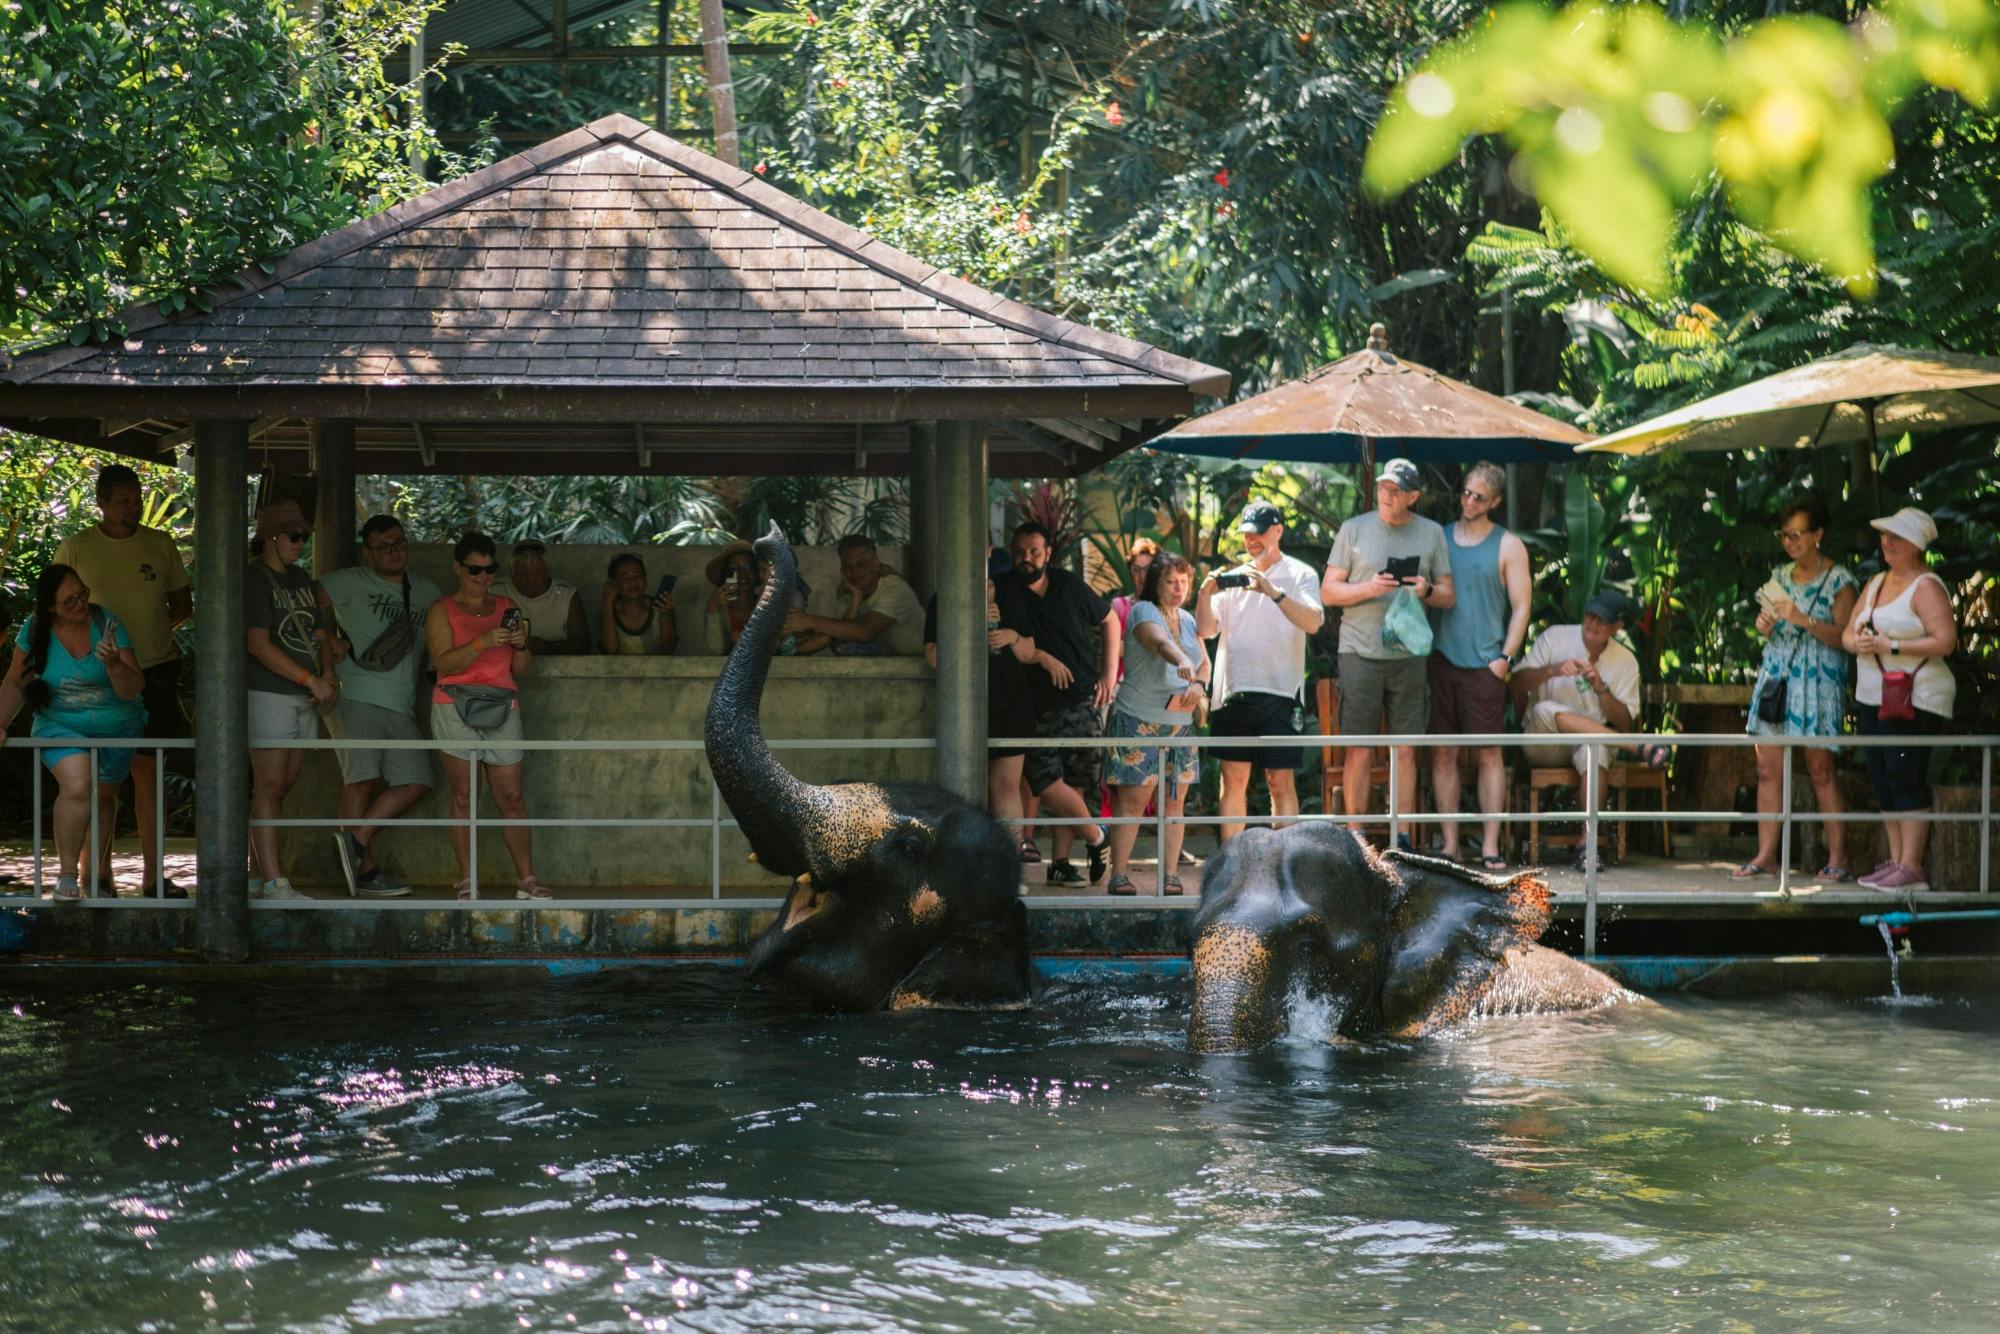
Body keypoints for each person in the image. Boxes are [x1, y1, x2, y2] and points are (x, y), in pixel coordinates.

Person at [52, 463, 193, 896]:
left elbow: (181, 604)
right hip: (96, 679)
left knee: (149, 775)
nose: (131, 508)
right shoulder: (75, 548)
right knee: (98, 780)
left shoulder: (160, 543)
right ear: (101, 503)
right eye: (122, 501)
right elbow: (54, 609)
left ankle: (153, 877)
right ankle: (98, 875)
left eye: (135, 499)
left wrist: (144, 642)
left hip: (155, 670)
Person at [1320, 459, 1454, 844]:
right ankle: (1356, 835)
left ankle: (1403, 836)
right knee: (1358, 749)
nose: (1387, 495)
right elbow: (1329, 591)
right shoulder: (1354, 529)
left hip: (1410, 653)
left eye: (1396, 491)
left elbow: (1448, 595)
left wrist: (1425, 589)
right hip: (1359, 652)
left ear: (1413, 496)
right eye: (1383, 488)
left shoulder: (1430, 534)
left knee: (1406, 750)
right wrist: (1370, 588)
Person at [0, 565, 146, 899]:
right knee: (79, 783)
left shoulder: (106, 622)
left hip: (117, 724)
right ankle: (67, 876)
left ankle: (94, 876)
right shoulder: (35, 628)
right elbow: (14, 681)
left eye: (83, 594)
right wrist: (1, 722)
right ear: (50, 607)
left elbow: (132, 688)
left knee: (104, 798)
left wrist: (113, 665)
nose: (80, 603)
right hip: (59, 723)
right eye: (70, 601)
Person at [1734, 495, 1859, 882]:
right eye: (1784, 535)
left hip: (1819, 679)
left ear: (1818, 534)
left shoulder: (1840, 580)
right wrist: (1765, 625)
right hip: (1778, 675)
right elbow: (1772, 622)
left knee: (1821, 769)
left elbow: (1846, 638)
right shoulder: (1781, 575)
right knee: (1767, 767)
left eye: (1796, 535)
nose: (1789, 543)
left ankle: (1838, 857)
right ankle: (1766, 855)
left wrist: (1804, 619)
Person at [320, 514, 442, 897]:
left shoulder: (426, 590)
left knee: (418, 779)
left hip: (401, 701)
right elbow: (299, 606)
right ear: (368, 553)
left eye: (400, 543)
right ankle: (364, 873)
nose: (395, 551)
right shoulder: (346, 580)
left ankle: (353, 841)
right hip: (356, 693)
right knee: (360, 782)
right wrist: (327, 640)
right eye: (385, 546)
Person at [425, 532, 550, 900]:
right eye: (475, 570)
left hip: (502, 703)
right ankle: (467, 879)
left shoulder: (506, 605)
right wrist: (482, 642)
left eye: (489, 569)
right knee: (465, 794)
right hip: (454, 703)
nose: (483, 578)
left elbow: (524, 668)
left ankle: (527, 880)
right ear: (458, 569)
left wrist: (520, 644)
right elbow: (442, 664)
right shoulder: (441, 608)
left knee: (512, 796)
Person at [1842, 507, 1957, 893]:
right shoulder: (1874, 582)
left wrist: (1890, 645)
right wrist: (1856, 642)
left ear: (1916, 546)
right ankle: (1894, 860)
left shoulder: (1927, 586)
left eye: (1897, 538)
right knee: (1882, 777)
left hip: (1916, 694)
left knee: (1904, 774)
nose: (1887, 543)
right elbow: (1846, 633)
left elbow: (1945, 641)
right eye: (1885, 537)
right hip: (1873, 694)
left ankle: (1912, 867)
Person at [1509, 590, 1666, 871]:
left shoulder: (1626, 661)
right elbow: (1515, 683)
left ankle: (1587, 845)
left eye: (1602, 620)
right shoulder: (1556, 636)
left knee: (1597, 751)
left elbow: (1625, 722)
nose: (1592, 623)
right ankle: (1635, 747)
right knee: (1545, 709)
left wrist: (1601, 688)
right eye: (1590, 615)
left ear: (1617, 627)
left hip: (1588, 744)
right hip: (1544, 742)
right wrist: (1552, 670)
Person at [1197, 502, 1326, 842]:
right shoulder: (1233, 576)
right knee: (1233, 780)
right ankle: (1231, 862)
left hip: (1282, 693)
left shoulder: (1301, 574)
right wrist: (1205, 592)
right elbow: (1206, 630)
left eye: (1259, 532)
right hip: (1233, 691)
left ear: (1278, 531)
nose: (1252, 540)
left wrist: (1273, 592)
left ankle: (1286, 862)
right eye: (1247, 533)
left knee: (1280, 780)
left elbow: (1314, 621)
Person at [996, 522, 1116, 884]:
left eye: (1034, 551)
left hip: (1081, 698)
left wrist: (1109, 674)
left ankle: (1061, 863)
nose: (1026, 558)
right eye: (1019, 551)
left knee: (1076, 782)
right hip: (1030, 703)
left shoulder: (1068, 584)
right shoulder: (1002, 590)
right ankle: (1097, 836)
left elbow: (1110, 620)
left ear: (1048, 553)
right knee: (1046, 782)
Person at [1428, 463, 1532, 870]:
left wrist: (1505, 658)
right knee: (1443, 755)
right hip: (1441, 658)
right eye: (1466, 493)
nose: (1469, 502)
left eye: (1479, 497)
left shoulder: (1508, 545)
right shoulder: (1439, 537)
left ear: (1496, 503)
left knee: (1489, 753)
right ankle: (1450, 844)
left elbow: (1523, 605)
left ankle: (1489, 845)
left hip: (1485, 663)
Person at [244, 500, 337, 901]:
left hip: (306, 695)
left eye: (305, 536)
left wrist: (328, 676)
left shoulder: (301, 578)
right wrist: (310, 679)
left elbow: (321, 635)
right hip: (269, 693)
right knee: (269, 785)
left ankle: (256, 874)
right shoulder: (253, 580)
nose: (301, 543)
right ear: (271, 538)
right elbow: (257, 644)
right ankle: (273, 880)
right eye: (294, 536)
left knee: (282, 787)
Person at [1104, 553, 1209, 896]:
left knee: (1174, 802)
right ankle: (1118, 874)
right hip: (1139, 720)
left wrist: (1198, 686)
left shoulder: (1189, 620)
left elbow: (1204, 664)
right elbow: (1158, 642)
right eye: (1170, 582)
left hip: (1179, 726)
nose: (1178, 589)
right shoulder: (1143, 611)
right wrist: (1180, 659)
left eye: (1184, 582)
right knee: (1133, 801)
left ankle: (1170, 875)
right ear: (1155, 584)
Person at [923, 571, 1040, 857]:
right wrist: (971, 625)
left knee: (1006, 785)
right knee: (963, 785)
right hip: (963, 704)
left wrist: (1011, 636)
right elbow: (934, 657)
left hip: (1009, 700)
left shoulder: (1012, 594)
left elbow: (1028, 652)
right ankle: (968, 869)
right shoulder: (943, 599)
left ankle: (1012, 872)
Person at [783, 535, 926, 656]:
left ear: (876, 564)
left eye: (861, 564)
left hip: (924, 665)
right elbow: (839, 639)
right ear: (842, 569)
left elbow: (865, 632)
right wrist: (856, 598)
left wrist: (810, 621)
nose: (855, 572)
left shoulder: (895, 588)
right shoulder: (848, 593)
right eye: (848, 566)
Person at [492, 540, 588, 654]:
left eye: (538, 574)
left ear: (548, 570)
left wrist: (549, 647)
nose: (530, 580)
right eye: (523, 575)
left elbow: (582, 645)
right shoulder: (494, 590)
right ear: (511, 572)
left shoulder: (566, 594)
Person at [599, 552, 678, 656]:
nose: (632, 582)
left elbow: (668, 650)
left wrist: (666, 614)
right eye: (624, 577)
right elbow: (610, 650)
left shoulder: (659, 607)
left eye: (638, 575)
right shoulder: (609, 612)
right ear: (614, 584)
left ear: (645, 580)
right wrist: (607, 601)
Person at [703, 540, 762, 654]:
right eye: (735, 568)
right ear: (727, 575)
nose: (743, 574)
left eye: (749, 567)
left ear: (757, 571)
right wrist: (712, 608)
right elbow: (716, 649)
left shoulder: (766, 605)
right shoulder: (719, 608)